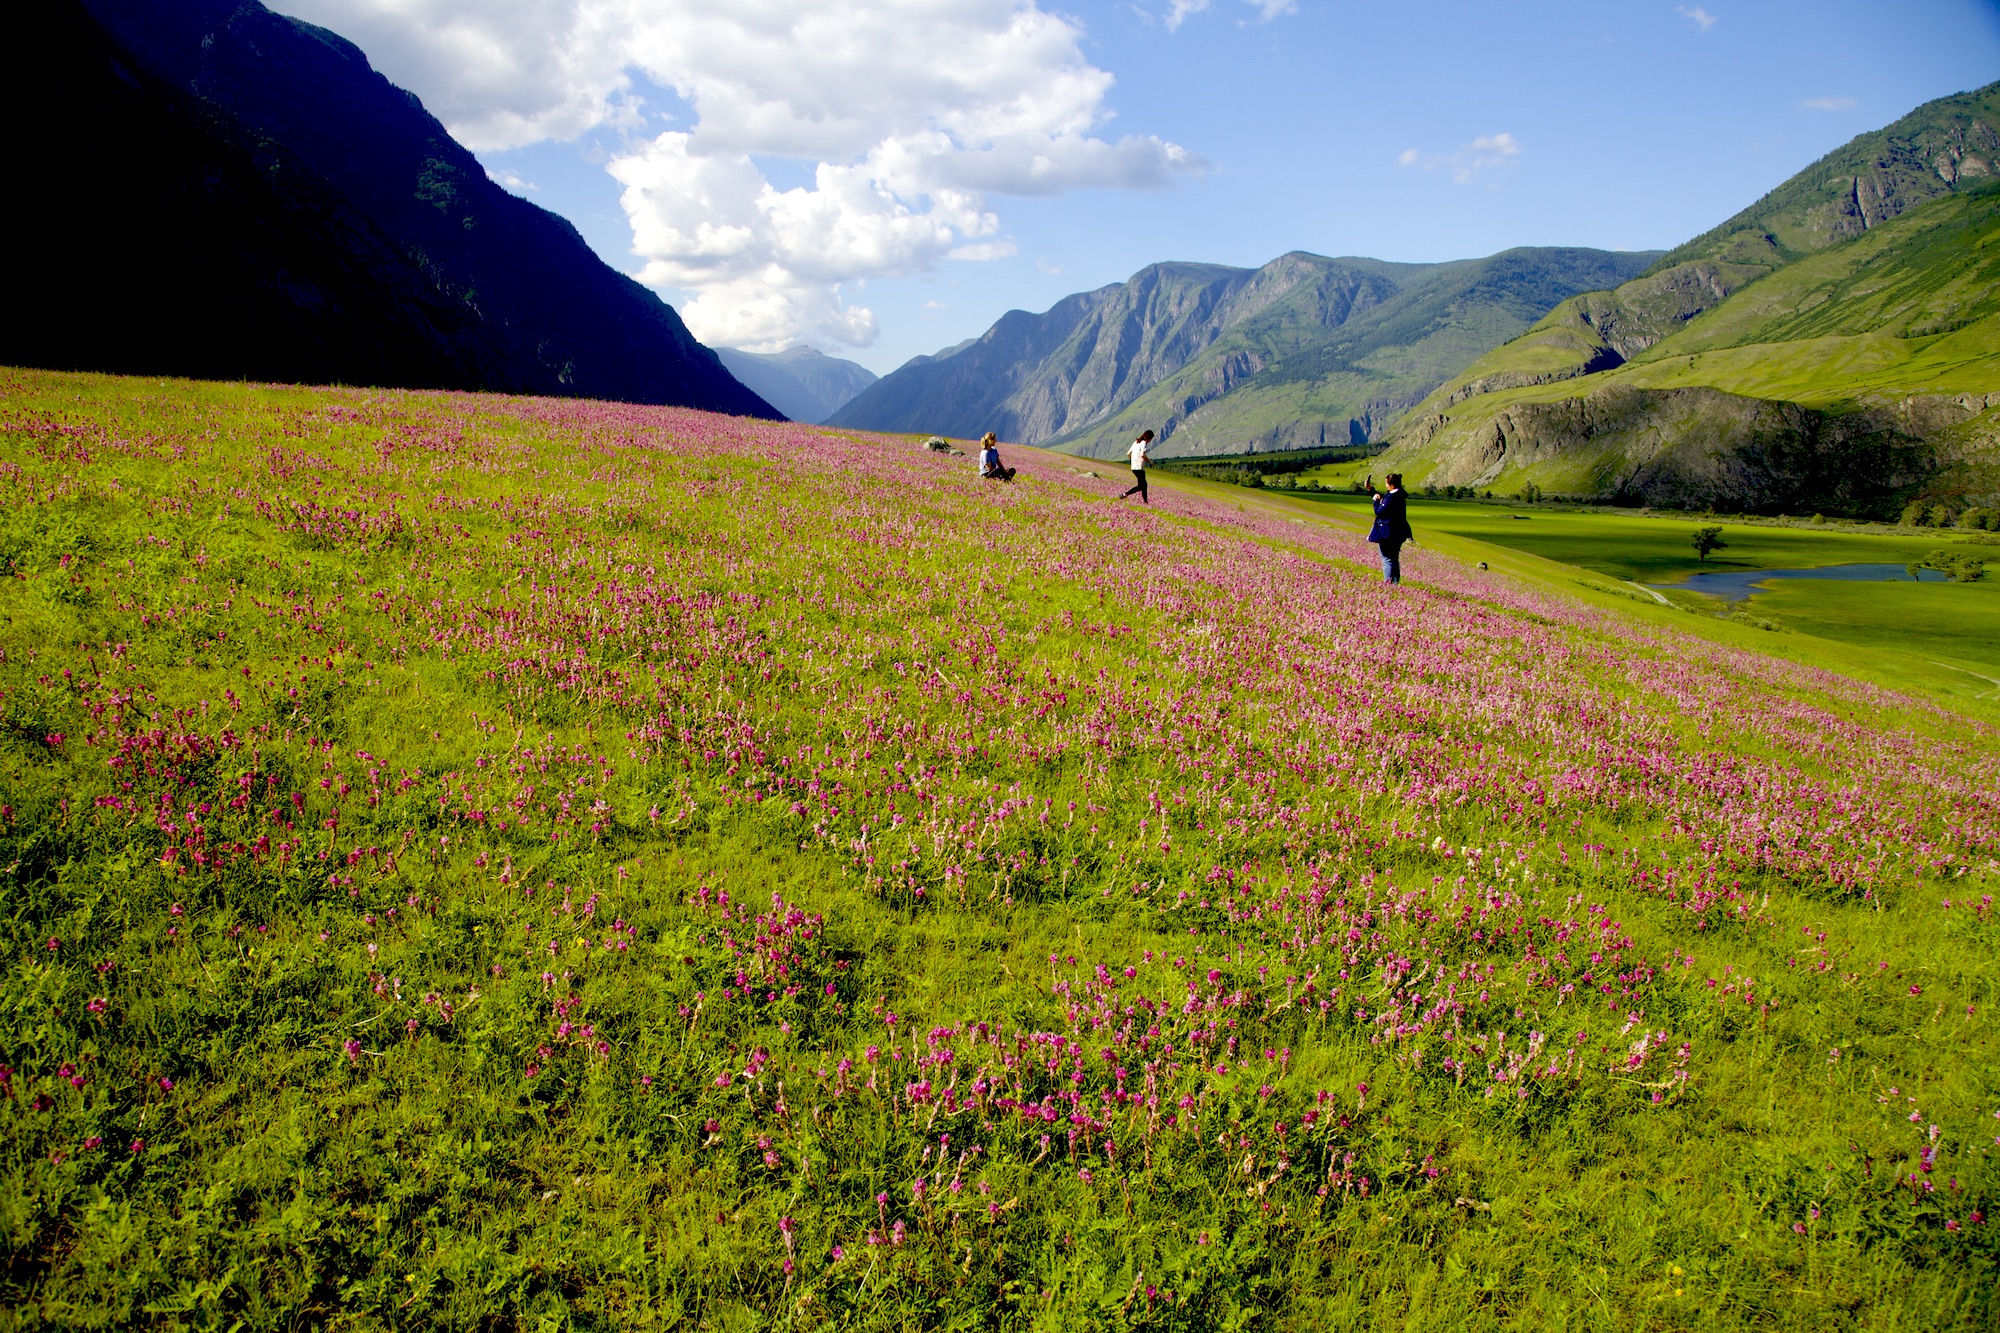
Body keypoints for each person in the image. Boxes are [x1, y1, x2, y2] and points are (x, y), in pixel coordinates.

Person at [1366, 472, 1413, 584]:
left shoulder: (1392, 498)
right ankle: (1395, 583)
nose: (1386, 486)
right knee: (1393, 559)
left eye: (1386, 483)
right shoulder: (1399, 495)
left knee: (1387, 559)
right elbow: (1385, 499)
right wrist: (1371, 490)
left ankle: (1388, 584)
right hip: (1399, 532)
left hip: (1388, 533)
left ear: (1391, 484)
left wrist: (1375, 501)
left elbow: (1380, 511)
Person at [1120, 429, 1155, 503]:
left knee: (1143, 485)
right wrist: (1150, 461)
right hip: (1139, 467)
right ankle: (1125, 494)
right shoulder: (1143, 443)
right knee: (1142, 486)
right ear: (1148, 437)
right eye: (1151, 439)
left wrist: (1133, 461)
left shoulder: (1136, 442)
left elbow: (1128, 454)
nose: (1150, 441)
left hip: (1133, 467)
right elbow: (1143, 455)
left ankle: (1145, 502)